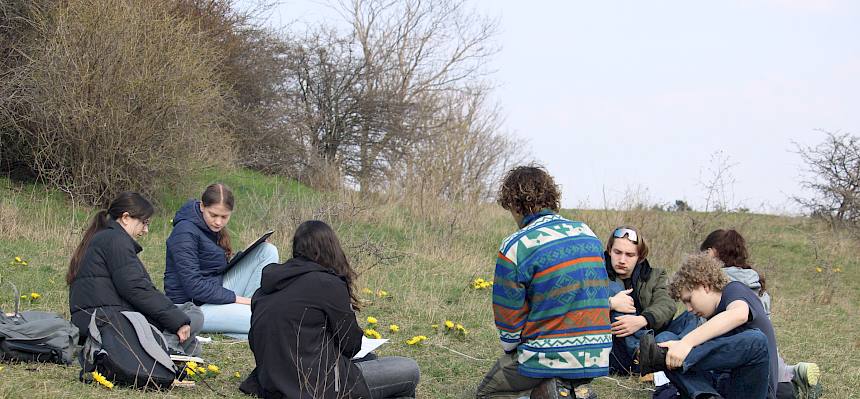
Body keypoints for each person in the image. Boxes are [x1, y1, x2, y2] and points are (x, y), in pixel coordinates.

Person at [240, 220, 420, 399]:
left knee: (371, 359)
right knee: (409, 369)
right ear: (330, 249)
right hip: (315, 386)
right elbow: (351, 345)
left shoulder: (268, 284)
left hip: (272, 383)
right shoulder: (327, 283)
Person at [475, 165, 612, 399]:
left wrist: (512, 350)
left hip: (548, 356)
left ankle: (546, 393)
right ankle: (575, 391)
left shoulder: (515, 246)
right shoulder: (588, 233)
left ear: (516, 205)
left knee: (487, 393)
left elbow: (509, 323)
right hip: (597, 354)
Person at [68, 191, 202, 356]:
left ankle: (168, 345)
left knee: (194, 346)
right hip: (110, 322)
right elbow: (135, 288)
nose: (145, 230)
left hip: (99, 319)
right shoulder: (115, 240)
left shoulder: (104, 238)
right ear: (125, 218)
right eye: (144, 222)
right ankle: (166, 349)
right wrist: (176, 320)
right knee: (192, 312)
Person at [700, 229, 821, 399]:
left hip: (740, 367)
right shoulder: (754, 280)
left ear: (710, 252)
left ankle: (792, 375)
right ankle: (792, 374)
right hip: (772, 363)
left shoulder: (717, 285)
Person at [639, 252, 776, 399]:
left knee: (757, 341)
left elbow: (739, 315)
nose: (689, 309)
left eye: (689, 300)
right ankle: (706, 395)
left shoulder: (734, 290)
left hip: (751, 388)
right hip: (722, 384)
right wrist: (677, 347)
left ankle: (663, 358)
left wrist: (686, 343)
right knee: (665, 340)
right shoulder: (710, 316)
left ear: (705, 285)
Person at [164, 183, 279, 338]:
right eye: (213, 215)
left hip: (215, 289)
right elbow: (193, 286)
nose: (218, 222)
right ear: (202, 206)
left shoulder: (209, 227)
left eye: (224, 217)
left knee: (267, 251)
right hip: (191, 307)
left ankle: (248, 311)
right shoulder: (184, 231)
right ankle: (248, 313)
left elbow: (214, 268)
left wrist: (247, 253)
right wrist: (240, 300)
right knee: (266, 318)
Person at [604, 226, 697, 375]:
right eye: (617, 252)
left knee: (694, 316)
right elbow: (582, 304)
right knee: (617, 293)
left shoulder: (656, 275)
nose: (622, 260)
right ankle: (642, 354)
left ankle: (662, 353)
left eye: (629, 255)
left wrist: (642, 320)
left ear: (639, 257)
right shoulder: (596, 274)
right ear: (609, 250)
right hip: (617, 343)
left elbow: (667, 304)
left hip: (654, 335)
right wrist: (611, 303)